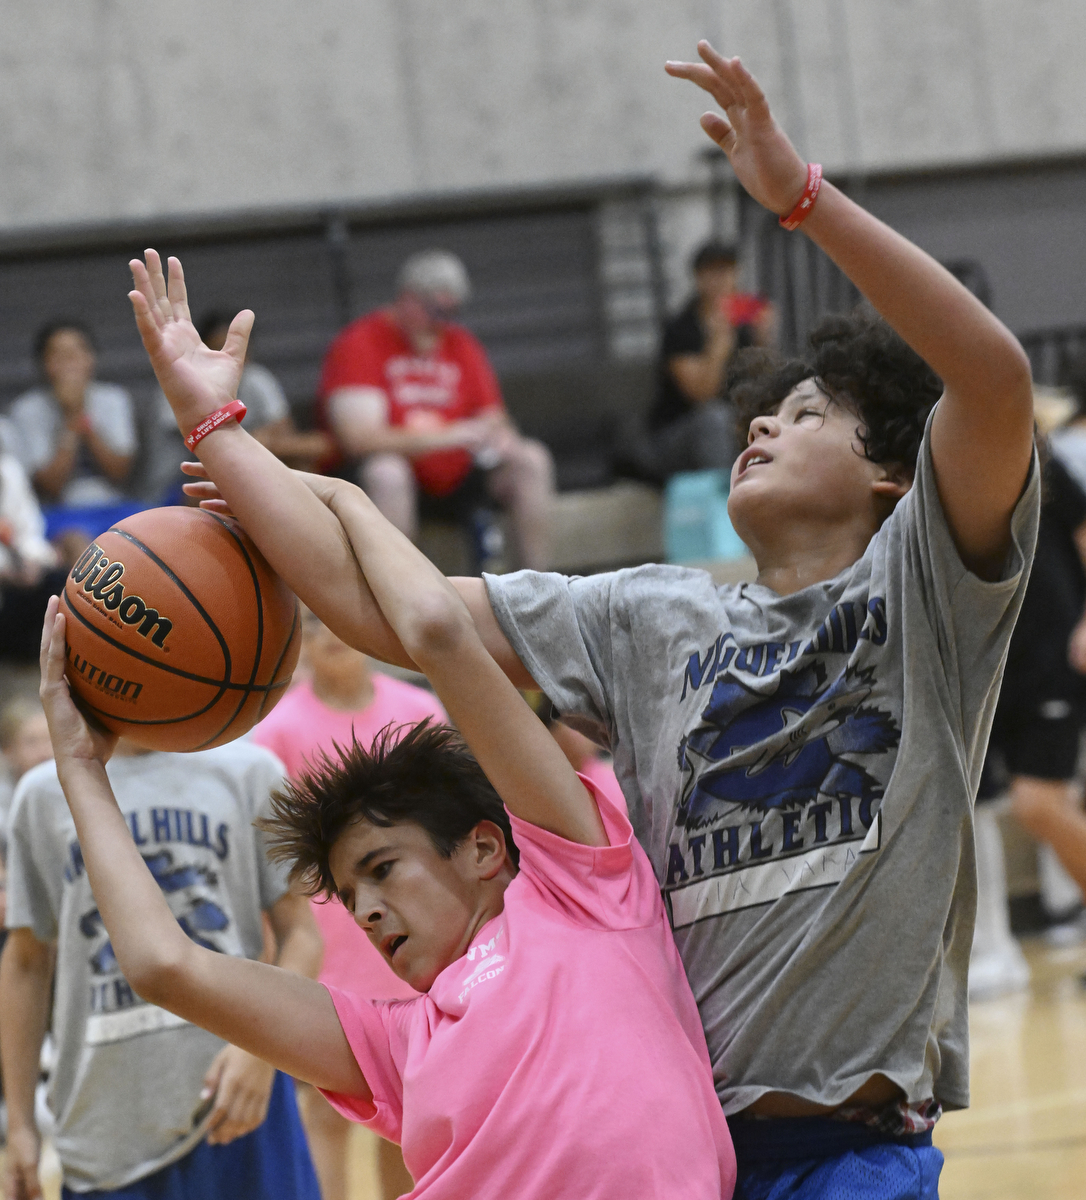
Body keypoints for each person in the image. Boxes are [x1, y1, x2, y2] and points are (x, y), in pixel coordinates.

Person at [129, 37, 1036, 1199]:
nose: (759, 427)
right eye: (757, 417)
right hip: (675, 1151)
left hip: (852, 1147)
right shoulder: (646, 615)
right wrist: (221, 433)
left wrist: (801, 200)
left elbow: (995, 377)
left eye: (806, 414)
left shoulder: (928, 588)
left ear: (893, 476)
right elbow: (381, 607)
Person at [37, 517, 737, 1200]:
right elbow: (165, 965)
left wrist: (334, 498)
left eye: (380, 869)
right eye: (347, 896)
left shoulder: (582, 894)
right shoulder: (396, 1042)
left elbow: (437, 628)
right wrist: (79, 768)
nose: (365, 911)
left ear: (485, 849)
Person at [0, 735, 323, 1200]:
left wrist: (262, 1054)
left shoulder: (250, 771)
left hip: (237, 1099)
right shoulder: (42, 793)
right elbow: (26, 963)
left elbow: (302, 934)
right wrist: (20, 1125)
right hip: (104, 1123)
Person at [252, 609, 444, 1200]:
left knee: (412, 1122)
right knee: (327, 1114)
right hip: (325, 950)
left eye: (337, 620)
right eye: (310, 625)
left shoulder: (419, 714)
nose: (329, 634)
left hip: (415, 947)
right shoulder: (273, 736)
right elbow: (266, 872)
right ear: (298, 645)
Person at [317, 250, 555, 570]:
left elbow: (492, 415)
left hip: (457, 476)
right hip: (392, 479)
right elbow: (358, 439)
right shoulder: (360, 343)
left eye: (451, 312)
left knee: (531, 459)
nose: (441, 323)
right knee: (388, 473)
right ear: (407, 299)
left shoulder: (459, 342)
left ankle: (540, 589)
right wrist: (446, 436)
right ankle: (399, 595)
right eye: (434, 311)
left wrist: (499, 438)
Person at [620, 241, 774, 484]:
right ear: (698, 277)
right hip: (674, 437)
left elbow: (764, 386)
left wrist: (764, 341)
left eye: (728, 271)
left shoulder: (744, 326)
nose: (721, 281)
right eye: (713, 272)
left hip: (730, 428)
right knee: (714, 420)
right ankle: (726, 508)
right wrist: (717, 345)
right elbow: (702, 394)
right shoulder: (680, 329)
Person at [144, 313, 333, 503]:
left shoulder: (256, 378)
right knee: (216, 479)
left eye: (238, 349)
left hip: (242, 470)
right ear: (200, 351)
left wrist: (273, 442)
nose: (228, 357)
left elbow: (288, 434)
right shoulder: (178, 382)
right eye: (218, 350)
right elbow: (210, 447)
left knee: (298, 466)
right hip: (178, 485)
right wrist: (262, 441)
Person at [8, 322, 136, 508]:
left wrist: (82, 416)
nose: (69, 363)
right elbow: (50, 486)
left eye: (76, 353)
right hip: (57, 510)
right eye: (59, 356)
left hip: (113, 503)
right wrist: (70, 419)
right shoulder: (26, 410)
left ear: (92, 358)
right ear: (43, 363)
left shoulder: (114, 399)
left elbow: (120, 473)